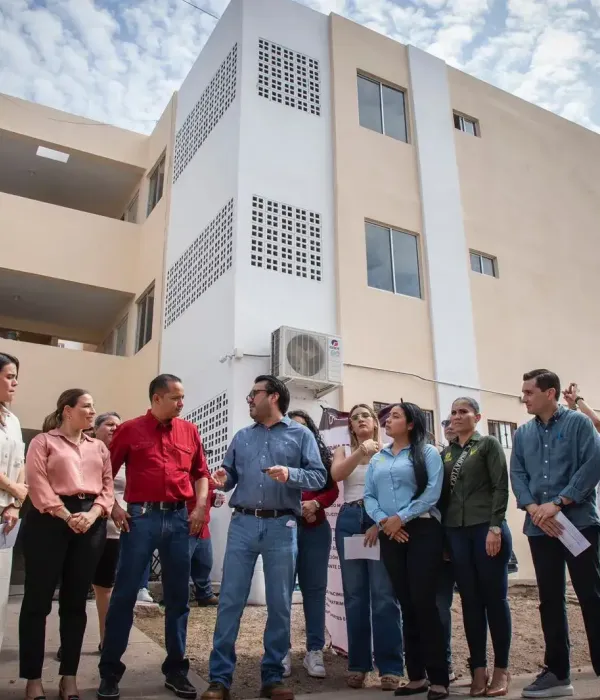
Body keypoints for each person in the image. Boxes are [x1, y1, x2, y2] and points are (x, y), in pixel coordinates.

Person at [200, 375, 326, 700]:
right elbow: (230, 476)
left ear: (272, 396)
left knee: (280, 604)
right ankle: (219, 679)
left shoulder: (301, 435)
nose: (249, 399)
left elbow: (319, 476)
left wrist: (290, 474)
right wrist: (222, 478)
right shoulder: (242, 436)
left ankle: (272, 678)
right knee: (230, 601)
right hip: (242, 525)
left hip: (281, 527)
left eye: (253, 393)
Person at [98, 374, 210, 700]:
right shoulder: (130, 430)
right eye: (176, 398)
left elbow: (201, 474)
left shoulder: (189, 431)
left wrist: (199, 507)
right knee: (124, 595)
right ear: (157, 398)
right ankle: (110, 673)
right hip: (140, 519)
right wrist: (114, 507)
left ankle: (176, 671)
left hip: (178, 520)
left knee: (178, 598)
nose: (181, 403)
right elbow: (105, 474)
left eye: (182, 397)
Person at [511, 369, 600, 699]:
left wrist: (560, 502)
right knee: (550, 600)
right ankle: (558, 674)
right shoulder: (522, 434)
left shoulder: (578, 424)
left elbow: (593, 465)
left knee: (591, 595)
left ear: (550, 393)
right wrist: (534, 508)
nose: (524, 398)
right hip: (540, 527)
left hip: (578, 523)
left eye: (529, 392)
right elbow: (517, 473)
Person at [20, 389, 114, 700]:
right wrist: (65, 514)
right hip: (48, 522)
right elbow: (37, 483)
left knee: (75, 604)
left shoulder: (99, 447)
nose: (93, 411)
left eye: (94, 406)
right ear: (67, 410)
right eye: (87, 406)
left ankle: (68, 678)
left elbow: (107, 488)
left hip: (90, 523)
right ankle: (33, 680)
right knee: (37, 602)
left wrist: (93, 514)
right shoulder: (43, 442)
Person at [364, 402, 448, 700]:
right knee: (406, 604)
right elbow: (369, 496)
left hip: (422, 530)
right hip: (391, 533)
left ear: (411, 424)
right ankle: (416, 677)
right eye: (387, 417)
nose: (387, 421)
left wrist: (402, 517)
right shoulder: (378, 458)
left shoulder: (427, 453)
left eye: (395, 417)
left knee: (424, 603)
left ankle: (439, 678)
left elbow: (432, 492)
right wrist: (384, 521)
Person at [331, 403, 404, 692]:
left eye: (365, 416)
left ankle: (390, 667)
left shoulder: (389, 450)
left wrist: (381, 522)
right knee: (355, 596)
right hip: (350, 519)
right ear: (350, 426)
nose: (360, 419)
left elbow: (394, 489)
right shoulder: (343, 451)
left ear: (375, 422)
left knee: (384, 595)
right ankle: (358, 665)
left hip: (379, 520)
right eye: (355, 417)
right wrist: (361, 451)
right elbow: (337, 475)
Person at [442, 397, 512, 697]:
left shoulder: (488, 445)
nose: (457, 416)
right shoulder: (447, 453)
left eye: (464, 412)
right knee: (470, 602)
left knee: (495, 600)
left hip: (486, 529)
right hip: (457, 533)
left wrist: (495, 527)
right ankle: (479, 670)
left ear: (477, 417)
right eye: (453, 412)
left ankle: (501, 669)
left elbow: (500, 486)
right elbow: (442, 497)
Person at [285, 409, 339, 679]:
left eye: (303, 427)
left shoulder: (321, 457)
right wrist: (297, 507)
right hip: (284, 530)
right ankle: (280, 650)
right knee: (281, 592)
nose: (298, 431)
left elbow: (332, 490)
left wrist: (316, 503)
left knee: (315, 591)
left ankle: (314, 651)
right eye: (291, 426)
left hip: (316, 531)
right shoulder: (278, 456)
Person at [0, 353, 26, 652]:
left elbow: (20, 461)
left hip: (6, 515)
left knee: (0, 591)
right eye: (9, 376)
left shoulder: (13, 420)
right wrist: (13, 488)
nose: (15, 383)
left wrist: (15, 503)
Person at [437, 417, 457, 683]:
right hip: (441, 543)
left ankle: (482, 668)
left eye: (456, 419)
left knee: (478, 604)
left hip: (472, 537)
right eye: (446, 423)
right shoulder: (439, 457)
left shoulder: (484, 448)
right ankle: (444, 664)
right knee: (440, 606)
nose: (450, 426)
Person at [188, 466, 223, 608]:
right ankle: (178, 596)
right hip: (187, 522)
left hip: (203, 525)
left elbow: (207, 493)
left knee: (204, 562)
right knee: (182, 564)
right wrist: (213, 482)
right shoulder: (187, 468)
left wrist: (215, 499)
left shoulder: (204, 469)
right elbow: (198, 483)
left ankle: (205, 594)